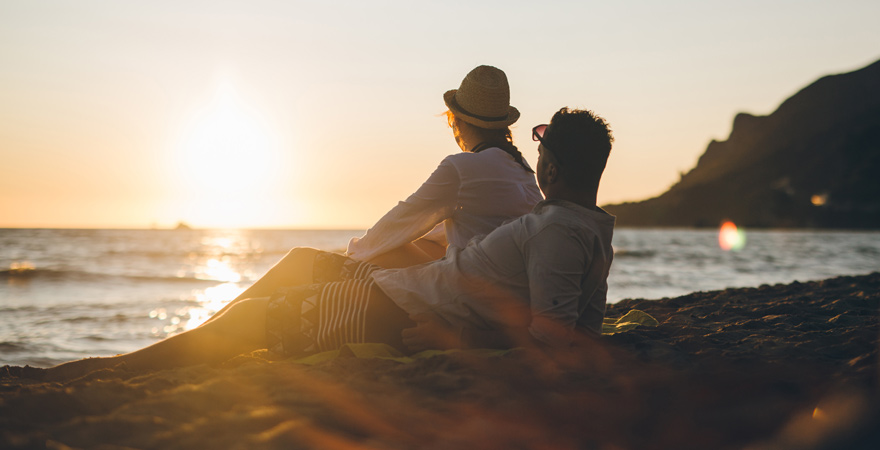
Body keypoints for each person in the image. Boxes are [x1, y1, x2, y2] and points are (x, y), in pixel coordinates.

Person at [47, 107, 614, 380]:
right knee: (261, 310)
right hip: (410, 295)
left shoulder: (557, 230)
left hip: (404, 308)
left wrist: (462, 337)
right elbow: (582, 330)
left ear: (556, 169)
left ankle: (109, 369)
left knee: (248, 319)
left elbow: (552, 344)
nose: (534, 155)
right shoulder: (588, 230)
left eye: (543, 149)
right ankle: (120, 363)